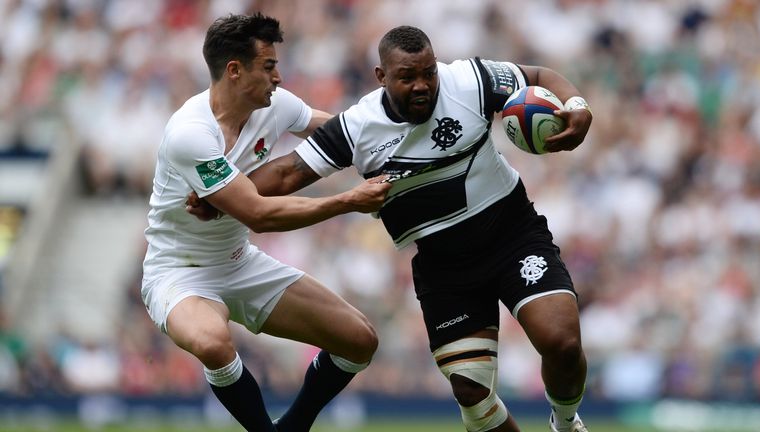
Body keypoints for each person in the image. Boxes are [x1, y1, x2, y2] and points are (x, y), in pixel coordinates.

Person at [190, 25, 592, 432]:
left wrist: (577, 105)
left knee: (562, 342)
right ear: (382, 77)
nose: (422, 85)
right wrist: (222, 196)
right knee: (471, 392)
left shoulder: (469, 80)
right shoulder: (358, 126)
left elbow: (538, 76)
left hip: (512, 235)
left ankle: (565, 422)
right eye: (407, 77)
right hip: (444, 268)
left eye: (428, 73)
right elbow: (287, 173)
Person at [141, 13, 392, 432]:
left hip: (239, 262)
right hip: (177, 273)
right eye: (269, 66)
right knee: (211, 341)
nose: (279, 76)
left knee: (359, 340)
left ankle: (292, 427)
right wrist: (349, 201)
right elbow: (259, 213)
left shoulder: (277, 105)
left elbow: (342, 132)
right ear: (235, 71)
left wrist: (398, 138)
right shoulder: (190, 133)